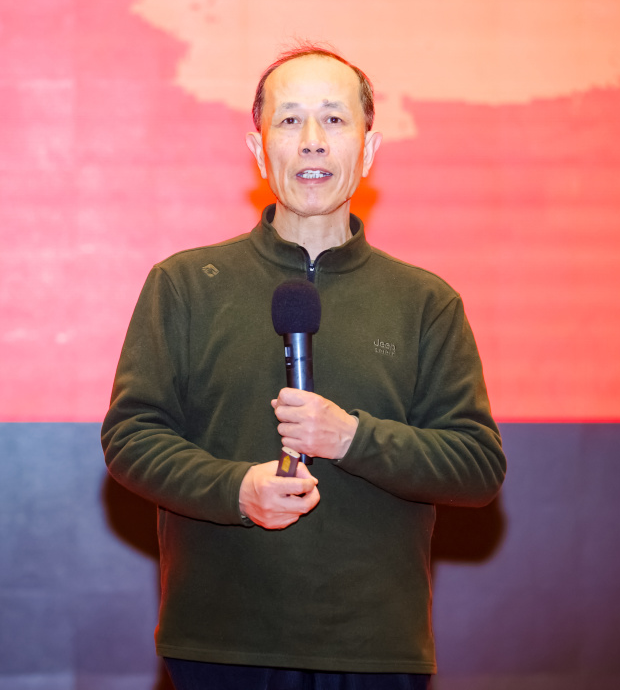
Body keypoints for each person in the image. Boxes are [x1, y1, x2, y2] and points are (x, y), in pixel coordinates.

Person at [101, 45, 506, 690]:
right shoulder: (186, 285)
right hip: (221, 645)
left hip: (375, 652)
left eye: (335, 120)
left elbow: (477, 467)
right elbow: (131, 437)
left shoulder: (426, 302)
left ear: (368, 151)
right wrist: (237, 489)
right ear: (259, 150)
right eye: (289, 120)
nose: (312, 139)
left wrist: (352, 438)